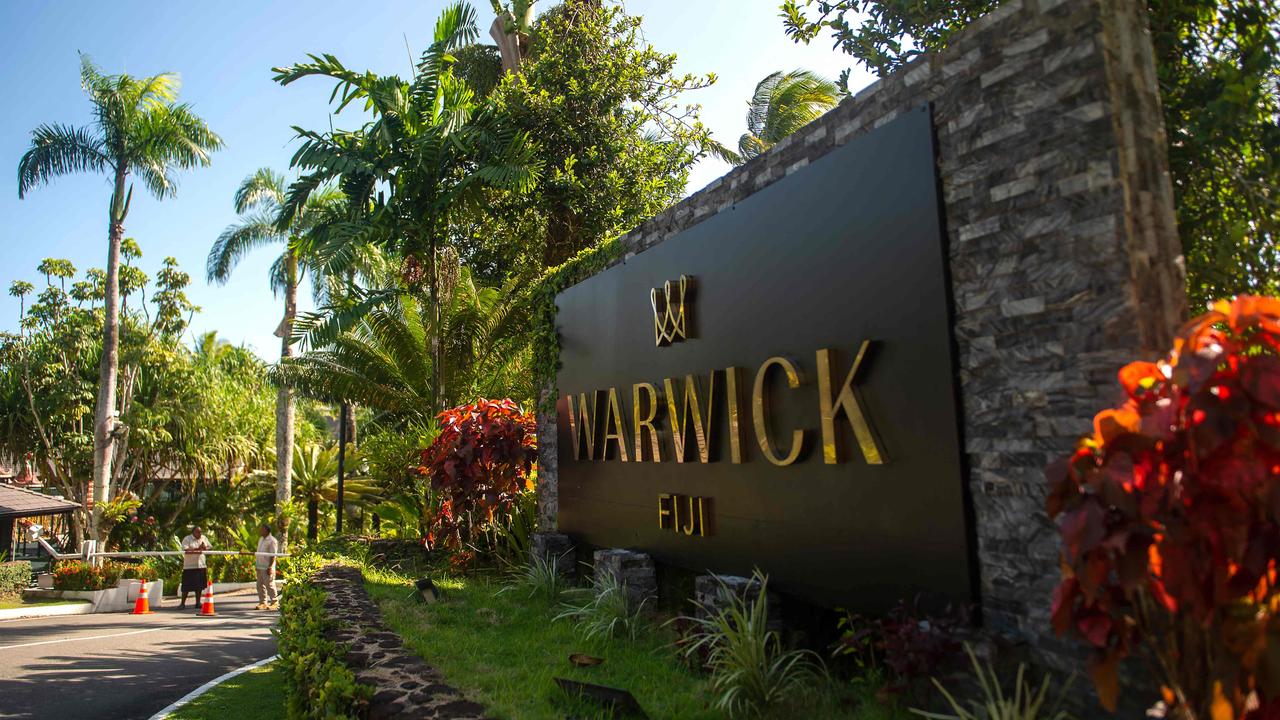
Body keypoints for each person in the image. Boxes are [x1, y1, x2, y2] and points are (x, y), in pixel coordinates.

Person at [179, 526, 212, 610]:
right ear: (193, 532)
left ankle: (198, 602)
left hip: (201, 565)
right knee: (186, 586)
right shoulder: (187, 539)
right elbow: (185, 550)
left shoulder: (203, 538)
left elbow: (210, 547)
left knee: (199, 586)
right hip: (189, 566)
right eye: (198, 532)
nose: (200, 534)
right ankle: (182, 603)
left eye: (200, 532)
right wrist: (198, 548)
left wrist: (205, 548)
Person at [247, 523, 278, 609]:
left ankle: (274, 602)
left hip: (267, 567)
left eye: (262, 529)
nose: (261, 531)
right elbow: (259, 552)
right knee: (260, 585)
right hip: (260, 566)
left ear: (267, 530)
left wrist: (270, 567)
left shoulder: (272, 540)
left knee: (270, 585)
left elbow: (273, 555)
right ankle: (263, 602)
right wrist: (256, 565)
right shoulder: (261, 539)